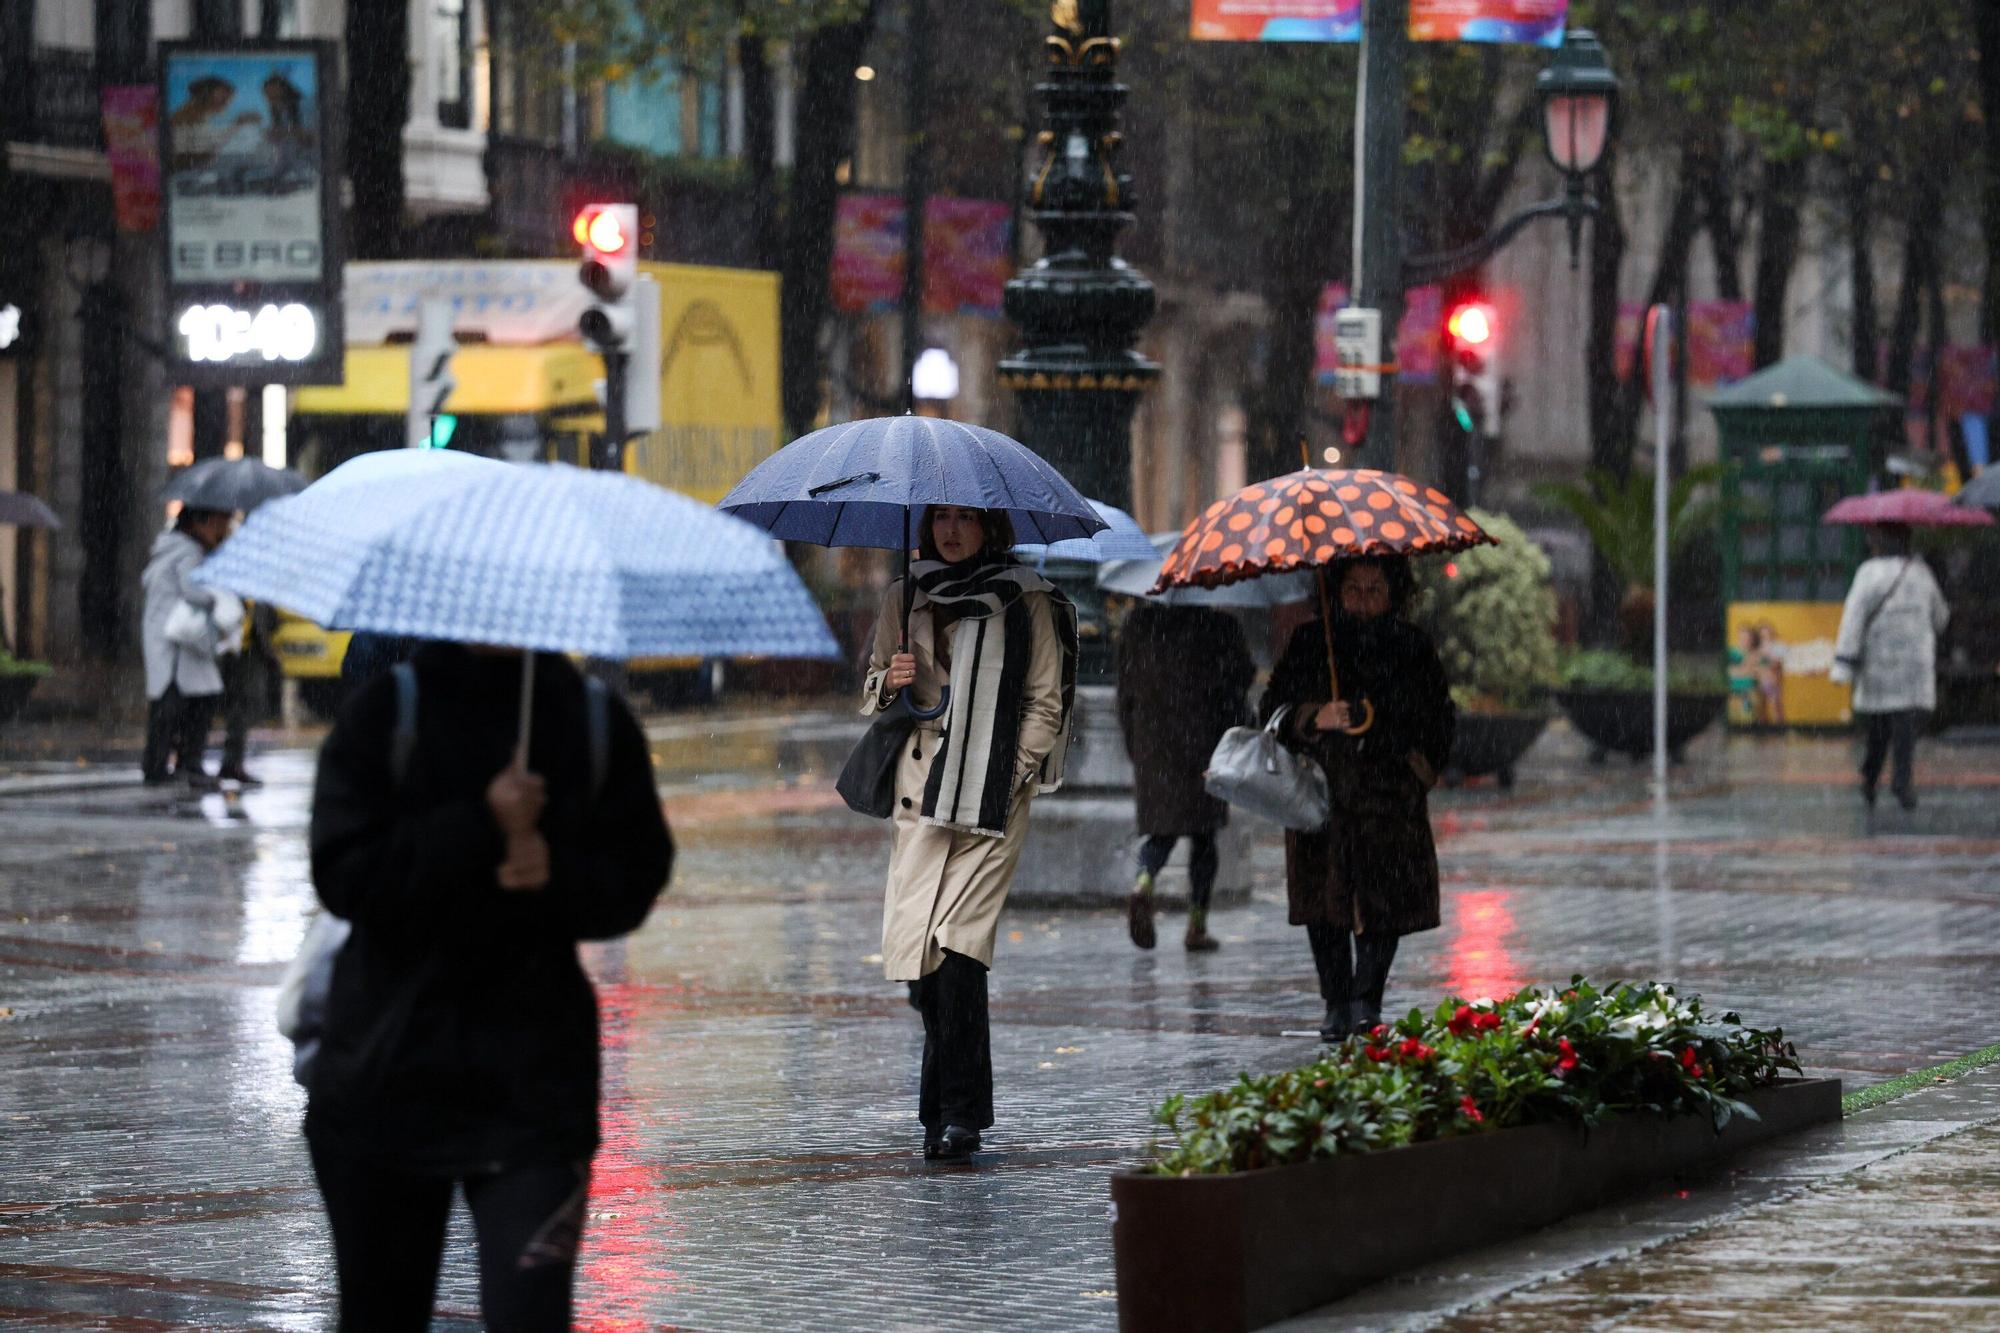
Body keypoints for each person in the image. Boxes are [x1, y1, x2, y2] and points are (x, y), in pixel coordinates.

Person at [306, 644, 673, 1328]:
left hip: (533, 1090)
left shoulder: (588, 718)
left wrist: (556, 873)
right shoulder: (390, 711)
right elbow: (342, 870)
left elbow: (636, 871)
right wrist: (480, 826)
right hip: (387, 1079)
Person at [863, 505, 1078, 1163]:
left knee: (958, 954)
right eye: (941, 519)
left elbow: (1048, 702)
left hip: (991, 797)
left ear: (992, 526)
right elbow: (873, 694)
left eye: (966, 518)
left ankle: (956, 1116)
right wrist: (890, 681)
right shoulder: (906, 595)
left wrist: (1002, 771)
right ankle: (947, 1110)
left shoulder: (1026, 599)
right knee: (921, 970)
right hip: (921, 793)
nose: (952, 531)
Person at [1259, 555, 1454, 1043]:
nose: (1363, 600)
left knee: (1383, 903)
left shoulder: (1411, 646)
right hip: (1321, 798)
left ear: (1393, 593)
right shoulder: (1311, 641)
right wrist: (1314, 716)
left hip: (1388, 800)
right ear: (1335, 591)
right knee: (1325, 906)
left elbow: (1439, 716)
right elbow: (1270, 711)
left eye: (1375, 589)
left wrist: (1414, 765)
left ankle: (1368, 999)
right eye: (1353, 589)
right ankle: (1336, 1001)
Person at [1116, 603, 1255, 952]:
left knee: (1160, 833)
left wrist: (1134, 741)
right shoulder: (1220, 623)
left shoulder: (1139, 623)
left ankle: (1144, 883)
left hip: (1154, 744)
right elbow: (1240, 680)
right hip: (1204, 741)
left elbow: (1124, 690)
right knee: (1204, 838)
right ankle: (1196, 925)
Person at [1831, 523, 1950, 811]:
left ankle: (1870, 776)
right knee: (1905, 728)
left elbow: (1853, 618)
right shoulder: (1922, 574)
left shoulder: (1868, 573)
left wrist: (1844, 662)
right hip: (1914, 667)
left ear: (1877, 543)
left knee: (1878, 731)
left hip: (1878, 667)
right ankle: (1902, 780)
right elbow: (1941, 617)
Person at [140, 507, 232, 791]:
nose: (222, 530)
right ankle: (175, 765)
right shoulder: (188, 552)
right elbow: (193, 591)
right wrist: (219, 598)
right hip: (178, 641)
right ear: (199, 522)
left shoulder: (169, 549)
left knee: (180, 702)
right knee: (180, 705)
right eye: (218, 523)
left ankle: (169, 765)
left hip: (174, 640)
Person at [218, 599, 279, 786]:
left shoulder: (256, 595)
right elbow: (263, 625)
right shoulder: (245, 592)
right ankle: (232, 763)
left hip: (243, 651)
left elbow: (270, 622)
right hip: (238, 653)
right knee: (240, 710)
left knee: (240, 710)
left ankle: (233, 762)